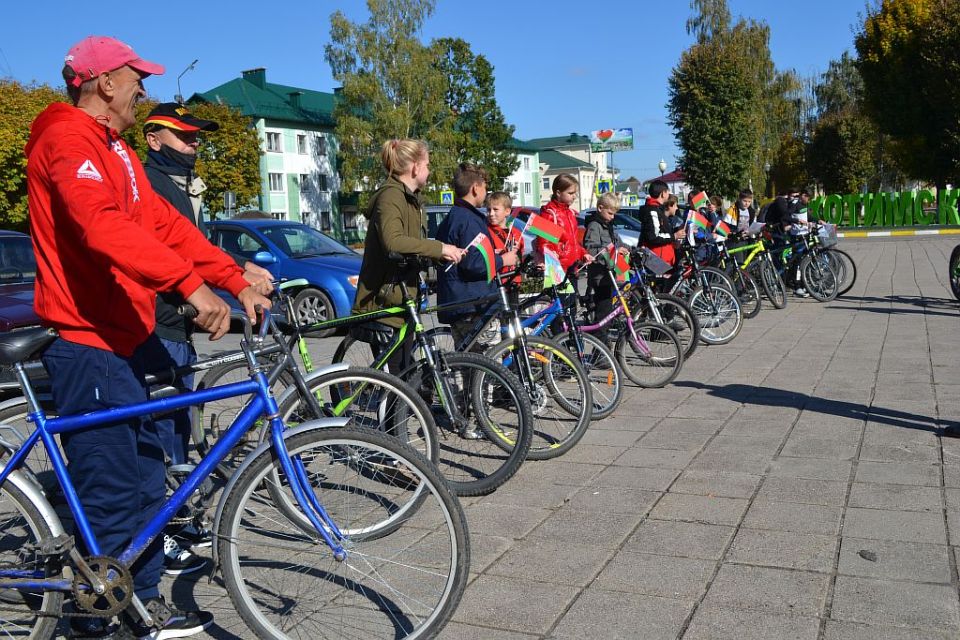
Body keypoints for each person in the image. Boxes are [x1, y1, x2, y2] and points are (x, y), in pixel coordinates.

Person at [26, 35, 272, 639]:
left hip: (125, 339)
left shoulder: (117, 151)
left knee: (145, 483)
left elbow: (165, 226)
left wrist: (232, 278)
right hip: (88, 341)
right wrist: (190, 287)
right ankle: (97, 625)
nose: (144, 88)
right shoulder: (67, 139)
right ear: (105, 82)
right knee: (112, 496)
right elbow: (100, 226)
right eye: (137, 77)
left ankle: (143, 603)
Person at [141, 103, 273, 576]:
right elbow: (162, 253)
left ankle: (175, 520)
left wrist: (240, 270)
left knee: (177, 426)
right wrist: (211, 289)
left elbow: (193, 246)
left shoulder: (180, 187)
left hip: (177, 323)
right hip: (158, 322)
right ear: (154, 140)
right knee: (161, 434)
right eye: (183, 136)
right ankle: (159, 534)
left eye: (196, 137)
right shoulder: (150, 184)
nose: (193, 144)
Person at [352, 139, 464, 374]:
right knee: (397, 380)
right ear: (415, 167)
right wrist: (439, 248)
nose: (429, 170)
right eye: (427, 165)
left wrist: (440, 256)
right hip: (383, 302)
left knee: (406, 375)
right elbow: (394, 242)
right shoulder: (391, 196)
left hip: (403, 298)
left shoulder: (412, 199)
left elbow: (412, 249)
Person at [436, 164, 517, 348]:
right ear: (475, 188)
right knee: (488, 359)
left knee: (465, 360)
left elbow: (466, 254)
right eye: (485, 188)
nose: (486, 193)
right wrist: (503, 260)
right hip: (474, 304)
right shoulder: (469, 219)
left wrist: (491, 254)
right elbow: (473, 264)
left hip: (458, 302)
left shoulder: (453, 216)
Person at [582, 193, 627, 344]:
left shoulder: (608, 226)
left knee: (606, 312)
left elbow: (616, 243)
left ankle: (602, 342)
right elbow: (591, 249)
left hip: (609, 275)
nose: (612, 217)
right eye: (610, 213)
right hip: (600, 277)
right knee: (603, 314)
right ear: (600, 208)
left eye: (614, 214)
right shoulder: (594, 226)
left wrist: (626, 249)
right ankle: (600, 347)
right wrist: (612, 251)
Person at [639, 179, 685, 266]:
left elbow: (663, 232)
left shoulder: (658, 209)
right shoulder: (652, 211)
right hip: (658, 262)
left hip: (663, 260)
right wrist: (674, 236)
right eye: (667, 192)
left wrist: (675, 236)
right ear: (663, 193)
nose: (668, 194)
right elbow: (654, 237)